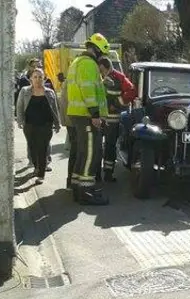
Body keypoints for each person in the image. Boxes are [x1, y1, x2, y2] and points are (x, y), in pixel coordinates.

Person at [65, 32, 110, 205]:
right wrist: (95, 115)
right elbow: (89, 91)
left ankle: (78, 187)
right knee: (91, 153)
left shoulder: (77, 62)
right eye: (102, 53)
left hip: (78, 113)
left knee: (83, 152)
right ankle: (86, 192)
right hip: (86, 115)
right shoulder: (89, 64)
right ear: (97, 50)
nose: (102, 57)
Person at [15, 68, 61, 184]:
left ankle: (41, 174)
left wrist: (57, 123)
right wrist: (20, 120)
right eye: (35, 77)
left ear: (44, 78)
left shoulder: (49, 92)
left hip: (46, 125)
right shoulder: (25, 91)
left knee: (43, 148)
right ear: (31, 78)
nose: (38, 79)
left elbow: (55, 108)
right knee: (32, 147)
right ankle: (36, 167)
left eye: (40, 77)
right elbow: (19, 107)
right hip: (29, 125)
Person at [98, 56, 136, 182]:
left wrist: (117, 103)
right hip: (97, 117)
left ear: (105, 67)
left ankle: (108, 173)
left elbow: (131, 91)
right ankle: (96, 174)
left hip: (112, 118)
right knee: (96, 146)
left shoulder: (119, 77)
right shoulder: (97, 77)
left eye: (101, 69)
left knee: (110, 146)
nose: (100, 72)